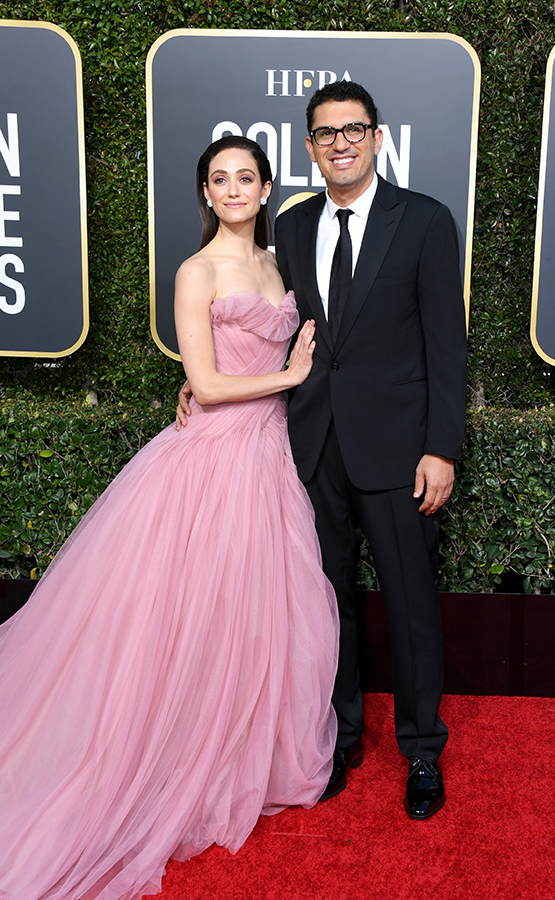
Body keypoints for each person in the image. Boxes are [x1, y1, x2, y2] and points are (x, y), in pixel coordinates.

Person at [0, 136, 338, 900]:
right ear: (205, 194)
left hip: (268, 456)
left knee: (253, 615)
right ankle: (166, 754)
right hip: (212, 459)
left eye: (245, 177)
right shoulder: (196, 271)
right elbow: (207, 384)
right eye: (219, 179)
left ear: (266, 188)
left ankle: (237, 752)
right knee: (185, 616)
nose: (233, 189)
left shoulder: (278, 262)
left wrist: (288, 378)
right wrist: (291, 373)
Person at [180, 81, 467, 820]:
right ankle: (337, 739)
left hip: (398, 449)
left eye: (353, 129)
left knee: (410, 600)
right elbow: (272, 326)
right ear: (309, 147)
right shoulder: (294, 225)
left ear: (377, 138)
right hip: (307, 446)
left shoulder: (425, 221)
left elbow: (447, 344)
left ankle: (422, 750)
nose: (341, 143)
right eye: (326, 133)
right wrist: (200, 380)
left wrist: (441, 448)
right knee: (323, 601)